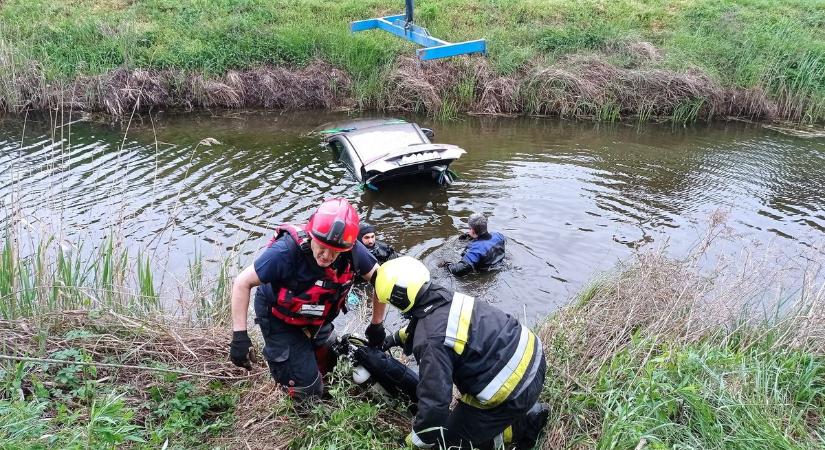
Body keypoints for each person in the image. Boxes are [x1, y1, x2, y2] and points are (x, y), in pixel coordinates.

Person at [377, 256, 549, 450]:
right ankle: (514, 417)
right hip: (534, 360)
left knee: (445, 444)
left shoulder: (431, 339)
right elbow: (429, 327)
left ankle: (523, 425)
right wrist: (392, 339)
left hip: (511, 390)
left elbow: (435, 405)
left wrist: (418, 440)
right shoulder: (443, 297)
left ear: (398, 299)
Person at [228, 198, 387, 399]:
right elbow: (242, 282)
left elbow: (382, 280)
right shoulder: (285, 252)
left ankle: (313, 367)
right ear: (312, 235)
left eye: (336, 251)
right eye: (322, 246)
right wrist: (239, 336)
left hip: (316, 315)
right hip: (279, 316)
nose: (327, 256)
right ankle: (298, 395)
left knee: (331, 362)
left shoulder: (352, 250)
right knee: (308, 390)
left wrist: (377, 324)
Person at [441, 213, 506, 277]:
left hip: (484, 273)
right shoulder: (498, 235)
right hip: (498, 265)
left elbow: (458, 270)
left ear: (472, 230)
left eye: (469, 229)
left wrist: (446, 265)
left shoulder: (476, 250)